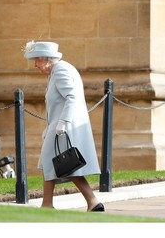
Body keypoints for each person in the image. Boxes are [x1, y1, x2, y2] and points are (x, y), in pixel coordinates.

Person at [23, 40, 104, 212]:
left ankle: (87, 201)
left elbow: (72, 97)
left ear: (46, 59)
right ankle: (55, 203)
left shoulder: (60, 70)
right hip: (58, 125)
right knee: (56, 164)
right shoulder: (57, 71)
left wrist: (63, 123)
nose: (35, 65)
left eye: (36, 60)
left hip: (64, 125)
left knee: (61, 164)